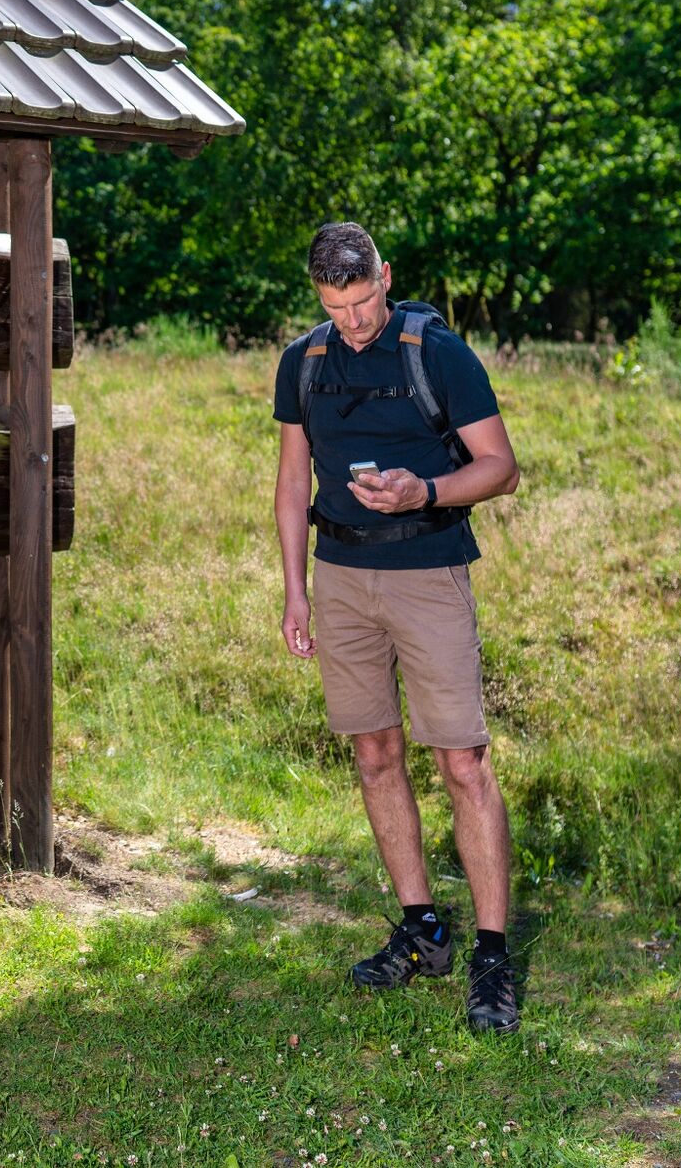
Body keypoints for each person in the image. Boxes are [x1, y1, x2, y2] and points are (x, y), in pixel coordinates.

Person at [271, 222, 524, 1035]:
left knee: (463, 762)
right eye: (334, 308)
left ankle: (492, 956)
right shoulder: (303, 362)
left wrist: (427, 492)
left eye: (362, 301)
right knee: (375, 754)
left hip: (429, 571)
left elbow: (501, 468)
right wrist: (295, 591)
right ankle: (423, 931)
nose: (352, 322)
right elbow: (291, 482)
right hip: (341, 578)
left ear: (386, 276)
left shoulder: (437, 352)